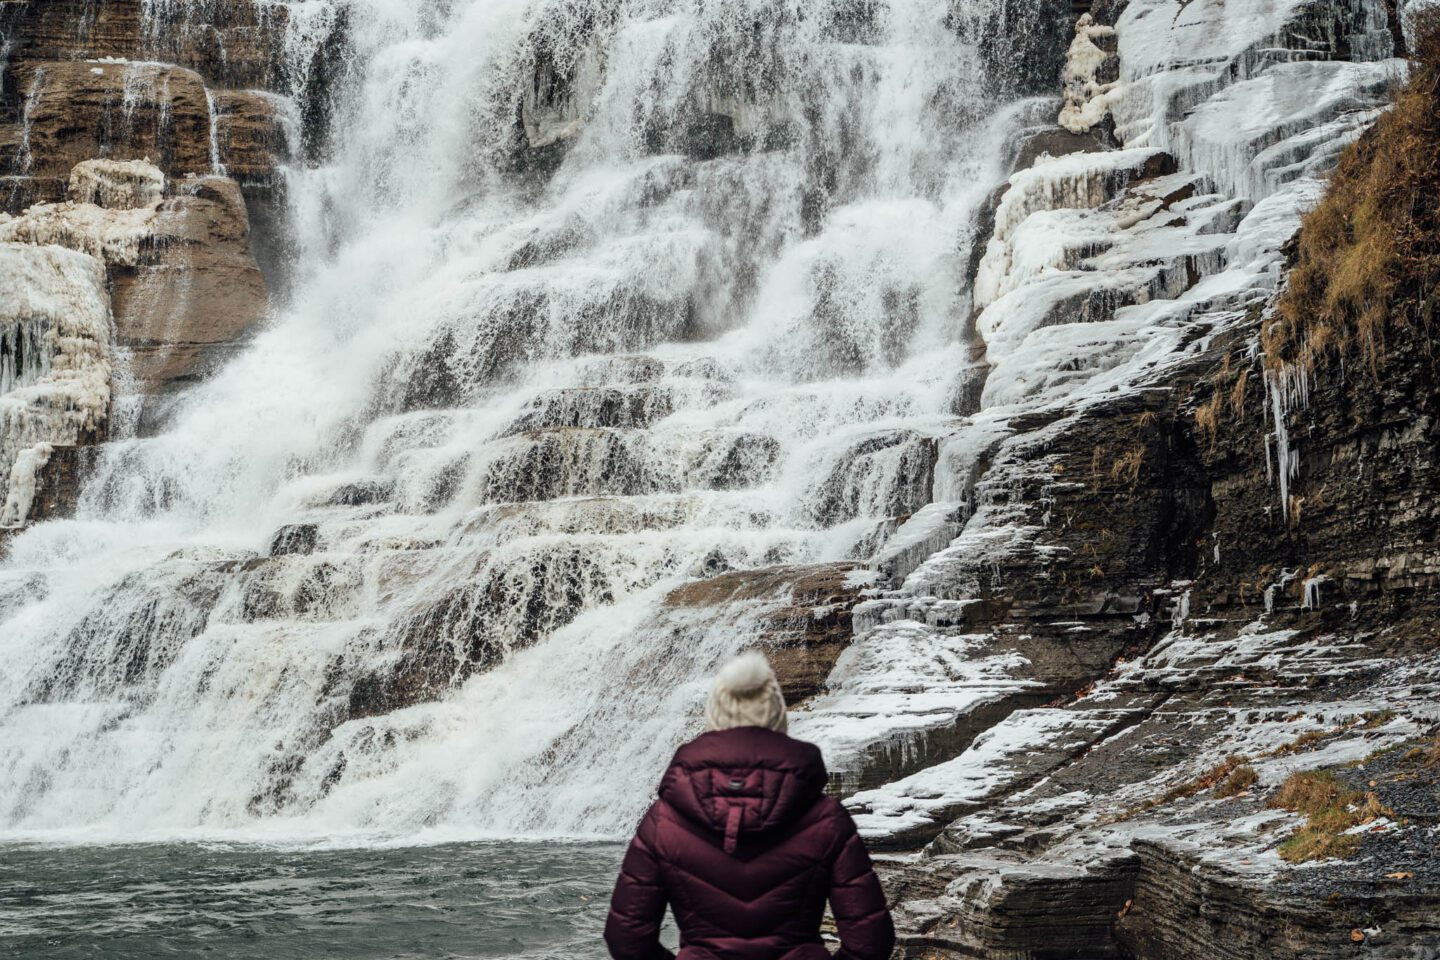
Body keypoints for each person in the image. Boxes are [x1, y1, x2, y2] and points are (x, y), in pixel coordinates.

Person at [604, 651, 896, 960]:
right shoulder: (826, 817)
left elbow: (626, 938)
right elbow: (871, 941)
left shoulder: (663, 820)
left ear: (714, 716)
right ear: (777, 715)